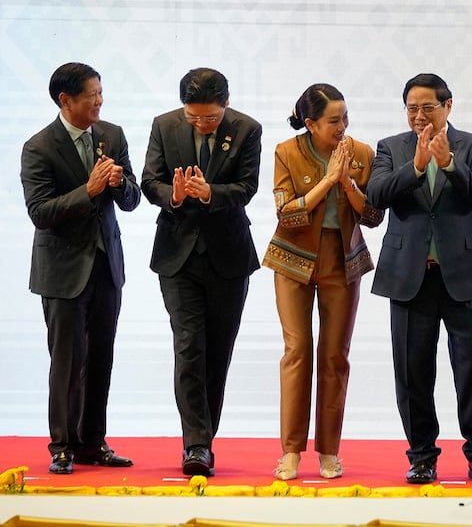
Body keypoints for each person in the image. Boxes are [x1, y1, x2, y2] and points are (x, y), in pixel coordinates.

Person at [368, 73, 472, 485]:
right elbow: (375, 195)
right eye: (412, 108)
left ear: (448, 105)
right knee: (412, 372)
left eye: (428, 106)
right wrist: (417, 166)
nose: (420, 115)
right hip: (409, 276)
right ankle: (422, 456)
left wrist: (447, 163)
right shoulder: (390, 148)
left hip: (465, 275)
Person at [20, 62, 141, 475]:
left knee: (101, 358)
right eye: (92, 95)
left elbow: (132, 199)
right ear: (65, 100)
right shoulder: (39, 147)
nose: (99, 101)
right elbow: (40, 212)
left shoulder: (112, 135)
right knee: (68, 362)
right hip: (63, 272)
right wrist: (88, 191)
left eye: (101, 92)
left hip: (107, 266)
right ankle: (62, 445)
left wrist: (119, 184)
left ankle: (93, 441)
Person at [141, 67, 262, 477]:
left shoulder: (247, 129)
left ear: (226, 105)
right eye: (193, 117)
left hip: (228, 255)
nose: (200, 123)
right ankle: (195, 445)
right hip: (178, 255)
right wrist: (171, 196)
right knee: (189, 346)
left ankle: (205, 440)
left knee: (217, 351)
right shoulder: (164, 126)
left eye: (209, 118)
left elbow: (248, 186)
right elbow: (149, 181)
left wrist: (212, 193)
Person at [263, 84, 383, 481]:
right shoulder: (287, 151)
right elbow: (286, 214)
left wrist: (346, 182)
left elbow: (372, 216)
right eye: (334, 120)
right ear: (311, 123)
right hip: (293, 261)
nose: (343, 126)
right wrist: (327, 181)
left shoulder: (362, 153)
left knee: (335, 356)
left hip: (342, 261)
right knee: (297, 351)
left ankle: (329, 451)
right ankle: (291, 451)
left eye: (346, 117)